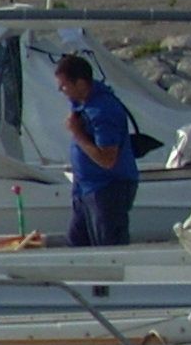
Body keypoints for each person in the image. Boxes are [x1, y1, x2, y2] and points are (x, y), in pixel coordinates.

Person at [53, 52, 137, 248]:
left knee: (108, 248)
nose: (60, 90)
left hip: (107, 188)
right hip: (84, 188)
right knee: (77, 245)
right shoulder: (81, 102)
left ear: (81, 83)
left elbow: (108, 159)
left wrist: (77, 133)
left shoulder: (102, 111)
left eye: (64, 86)